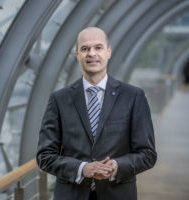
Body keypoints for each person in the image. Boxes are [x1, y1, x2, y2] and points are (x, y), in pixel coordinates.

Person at [36, 27, 157, 200]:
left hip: (117, 194)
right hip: (72, 194)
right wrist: (82, 168)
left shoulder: (133, 96)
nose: (91, 53)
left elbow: (147, 154)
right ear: (77, 54)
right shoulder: (59, 99)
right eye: (85, 49)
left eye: (98, 47)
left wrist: (115, 166)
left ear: (108, 52)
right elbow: (45, 156)